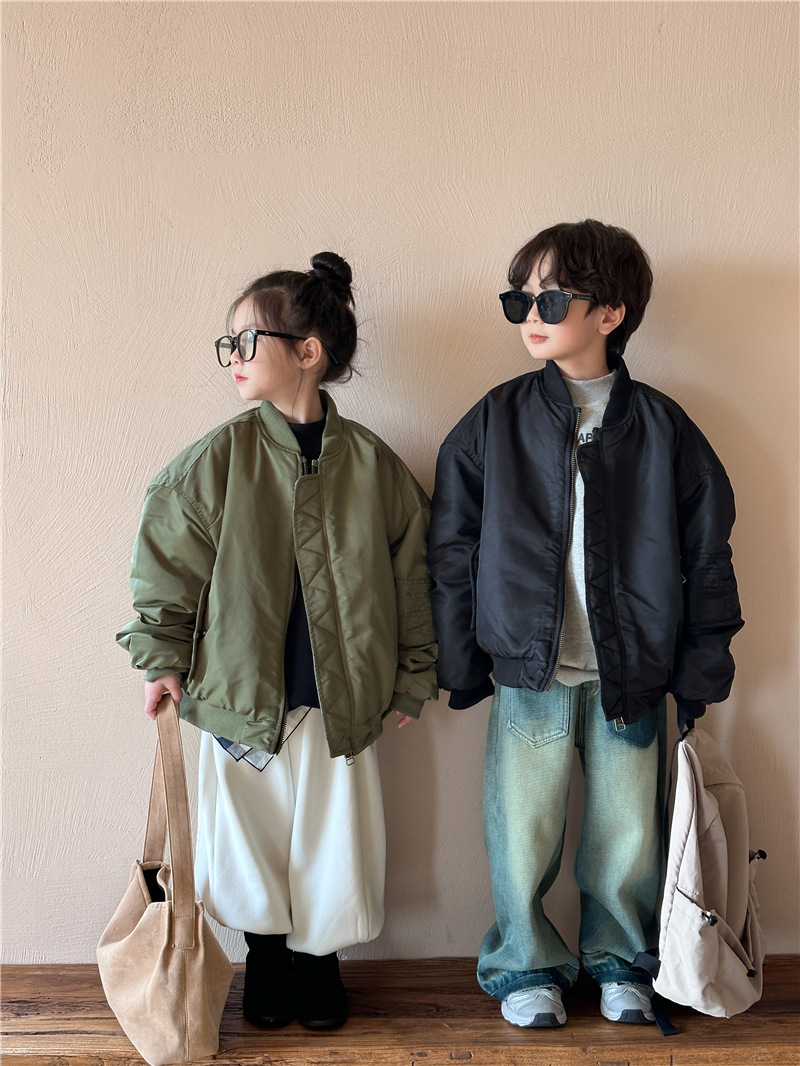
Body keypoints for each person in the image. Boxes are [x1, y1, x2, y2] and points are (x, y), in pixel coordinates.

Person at [428, 220, 743, 1028]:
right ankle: (525, 966)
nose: (530, 314)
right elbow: (452, 546)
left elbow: (708, 554)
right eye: (519, 299)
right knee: (521, 831)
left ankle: (621, 961)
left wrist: (702, 666)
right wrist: (459, 658)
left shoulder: (663, 429)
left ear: (610, 312)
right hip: (526, 669)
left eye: (551, 298)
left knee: (628, 833)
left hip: (631, 672)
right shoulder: (495, 421)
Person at [117, 252, 438, 1030]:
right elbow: (167, 566)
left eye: (246, 340)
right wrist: (161, 659)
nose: (232, 356)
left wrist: (413, 676)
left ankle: (319, 964)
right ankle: (263, 960)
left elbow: (414, 580)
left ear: (308, 351)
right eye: (228, 343)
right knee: (245, 837)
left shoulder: (373, 467)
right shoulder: (216, 461)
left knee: (336, 837)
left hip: (342, 699)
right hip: (238, 694)